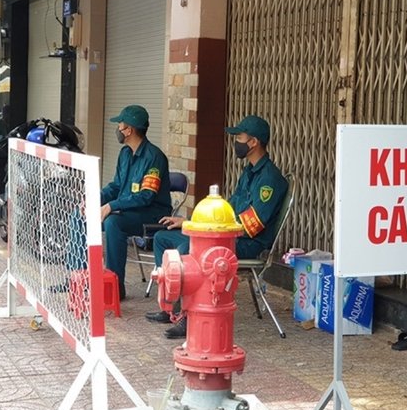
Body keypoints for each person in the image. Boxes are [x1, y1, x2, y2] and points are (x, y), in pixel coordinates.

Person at [145, 115, 288, 339]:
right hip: (222, 237)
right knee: (163, 238)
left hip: (246, 243)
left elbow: (251, 227)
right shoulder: (249, 172)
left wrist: (205, 230)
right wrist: (190, 223)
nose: (236, 142)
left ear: (253, 142)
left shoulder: (270, 180)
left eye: (239, 138)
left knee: (188, 251)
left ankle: (188, 317)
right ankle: (170, 306)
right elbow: (226, 209)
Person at [102, 105, 172, 300]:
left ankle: (115, 289)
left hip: (152, 213)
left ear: (129, 130)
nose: (118, 129)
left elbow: (146, 196)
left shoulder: (154, 157)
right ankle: (79, 278)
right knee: (81, 217)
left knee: (113, 223)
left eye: (120, 125)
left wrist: (111, 206)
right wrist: (95, 199)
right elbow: (116, 186)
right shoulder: (125, 153)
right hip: (128, 210)